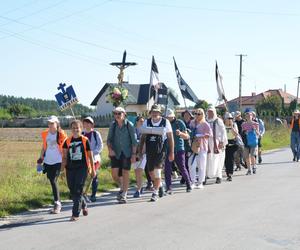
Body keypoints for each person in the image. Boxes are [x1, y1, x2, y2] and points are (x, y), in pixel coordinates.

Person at [62, 120, 96, 221]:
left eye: (78, 128)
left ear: (81, 129)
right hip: (70, 169)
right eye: (73, 128)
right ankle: (84, 204)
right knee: (72, 190)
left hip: (82, 168)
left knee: (78, 189)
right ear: (71, 129)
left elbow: (90, 156)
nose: (76, 130)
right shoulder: (67, 141)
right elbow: (64, 157)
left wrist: (93, 170)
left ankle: (75, 214)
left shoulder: (85, 140)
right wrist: (61, 170)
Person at [139, 104, 174, 202]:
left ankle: (154, 193)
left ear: (160, 113)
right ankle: (160, 185)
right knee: (151, 172)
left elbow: (170, 138)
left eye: (157, 112)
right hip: (150, 150)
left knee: (157, 171)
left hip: (161, 150)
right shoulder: (147, 121)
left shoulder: (165, 122)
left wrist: (171, 152)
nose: (155, 114)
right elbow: (143, 137)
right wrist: (140, 150)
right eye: (153, 112)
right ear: (151, 113)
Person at [107, 107, 137, 203]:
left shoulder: (130, 125)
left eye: (119, 113)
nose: (117, 115)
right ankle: (122, 187)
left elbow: (134, 142)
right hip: (116, 152)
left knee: (125, 172)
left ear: (124, 114)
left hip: (127, 152)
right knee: (115, 174)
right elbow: (109, 140)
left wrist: (133, 154)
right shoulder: (113, 125)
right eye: (115, 113)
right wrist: (110, 150)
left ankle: (124, 193)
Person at [37, 115, 67, 214]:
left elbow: (66, 147)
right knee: (51, 180)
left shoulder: (61, 134)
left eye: (52, 123)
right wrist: (41, 158)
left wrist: (65, 160)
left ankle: (57, 203)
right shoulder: (46, 134)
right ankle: (58, 201)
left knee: (53, 180)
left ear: (57, 124)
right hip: (48, 160)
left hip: (58, 161)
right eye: (49, 123)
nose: (50, 125)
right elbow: (44, 147)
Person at [164, 109, 192, 193]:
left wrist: (180, 134)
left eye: (169, 117)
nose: (167, 118)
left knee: (182, 168)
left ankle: (188, 184)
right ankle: (168, 188)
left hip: (179, 149)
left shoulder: (179, 123)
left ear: (173, 116)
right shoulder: (164, 123)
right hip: (167, 150)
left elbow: (187, 136)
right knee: (167, 169)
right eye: (166, 117)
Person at [189, 108, 212, 189]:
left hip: (202, 146)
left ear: (203, 115)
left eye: (199, 114)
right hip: (193, 146)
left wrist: (201, 135)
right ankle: (192, 181)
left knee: (201, 165)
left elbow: (209, 135)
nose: (197, 115)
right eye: (196, 113)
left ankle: (200, 182)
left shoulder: (205, 124)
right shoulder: (192, 123)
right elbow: (189, 132)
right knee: (191, 164)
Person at [82, 116, 103, 202]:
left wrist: (92, 153)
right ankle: (84, 193)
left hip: (95, 159)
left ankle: (93, 195)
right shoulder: (81, 134)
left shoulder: (95, 133)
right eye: (85, 122)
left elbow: (100, 146)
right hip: (84, 159)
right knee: (84, 177)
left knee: (94, 176)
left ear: (92, 124)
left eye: (88, 122)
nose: (86, 124)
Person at [206, 107, 227, 184]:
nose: (210, 113)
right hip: (208, 144)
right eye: (209, 112)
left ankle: (219, 176)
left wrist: (221, 142)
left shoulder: (218, 121)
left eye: (211, 112)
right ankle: (206, 175)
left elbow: (223, 132)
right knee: (208, 160)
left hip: (217, 144)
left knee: (218, 160)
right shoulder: (206, 121)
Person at [132, 116, 146, 198]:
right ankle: (140, 186)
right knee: (136, 172)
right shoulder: (133, 130)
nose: (142, 123)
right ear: (136, 122)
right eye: (140, 121)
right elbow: (133, 140)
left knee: (140, 171)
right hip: (134, 153)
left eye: (143, 121)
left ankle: (138, 190)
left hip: (144, 153)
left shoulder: (145, 131)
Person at [224, 113, 239, 181]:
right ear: (225, 119)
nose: (230, 120)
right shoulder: (223, 126)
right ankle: (228, 173)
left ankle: (230, 174)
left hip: (232, 144)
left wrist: (231, 127)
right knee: (226, 160)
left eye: (231, 118)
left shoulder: (234, 125)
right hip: (225, 144)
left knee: (230, 159)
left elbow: (236, 134)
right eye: (228, 118)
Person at [180, 109, 194, 184]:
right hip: (182, 144)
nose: (186, 116)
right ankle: (184, 176)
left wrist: (189, 131)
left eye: (188, 115)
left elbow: (193, 133)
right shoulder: (181, 123)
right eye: (185, 115)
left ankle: (188, 177)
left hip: (190, 144)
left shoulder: (192, 123)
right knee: (183, 162)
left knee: (189, 162)